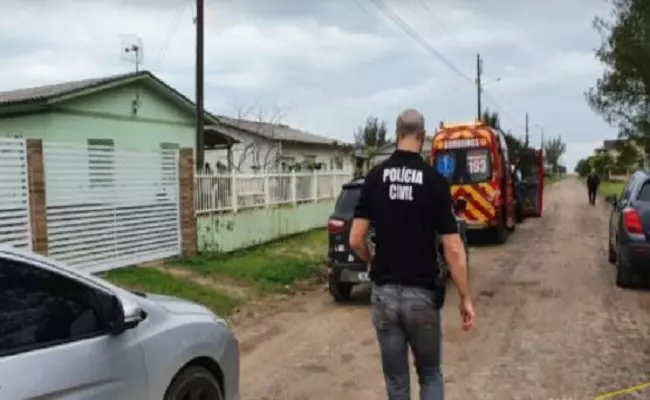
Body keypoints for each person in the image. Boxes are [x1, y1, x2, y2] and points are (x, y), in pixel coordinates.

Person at [349, 109, 475, 400]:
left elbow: (356, 238)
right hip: (422, 296)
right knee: (430, 374)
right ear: (421, 136)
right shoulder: (434, 182)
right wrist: (465, 297)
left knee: (396, 382)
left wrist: (371, 261)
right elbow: (453, 248)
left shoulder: (375, 178)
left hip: (385, 296)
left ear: (396, 135)